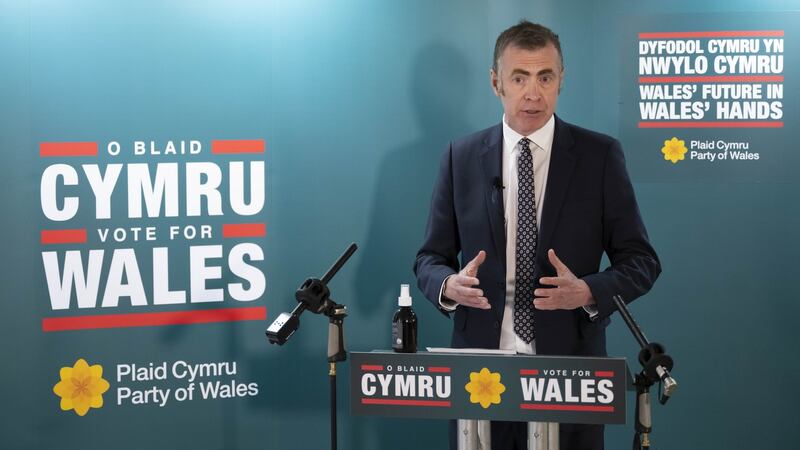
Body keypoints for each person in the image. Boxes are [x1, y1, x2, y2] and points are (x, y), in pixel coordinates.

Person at [414, 20, 661, 450]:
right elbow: (429, 259)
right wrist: (448, 285)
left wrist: (587, 291)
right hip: (480, 377)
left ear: (561, 80)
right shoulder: (461, 157)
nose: (533, 93)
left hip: (570, 375)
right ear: (496, 83)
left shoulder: (599, 156)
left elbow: (642, 262)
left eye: (545, 77)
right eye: (519, 78)